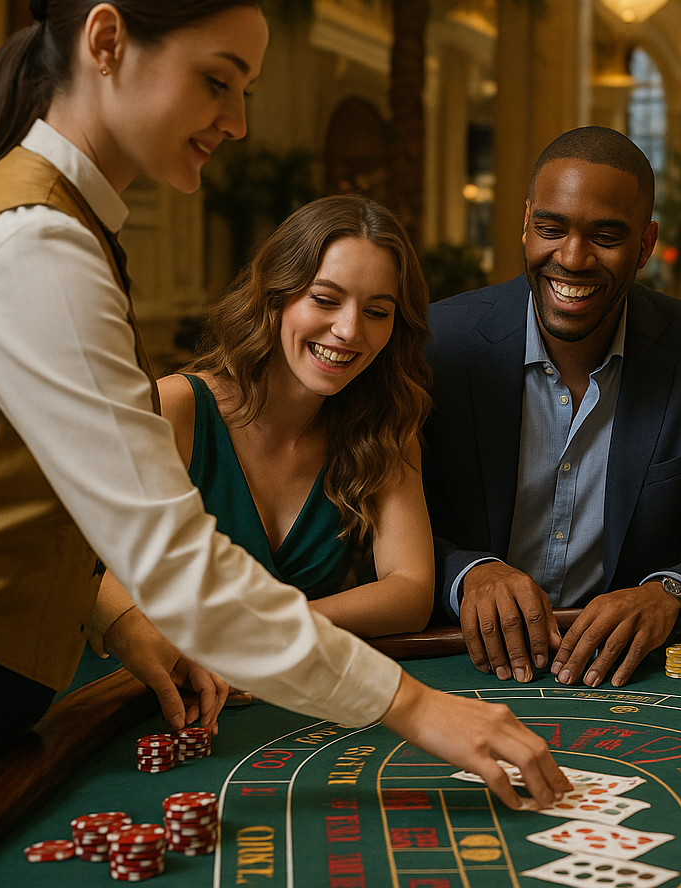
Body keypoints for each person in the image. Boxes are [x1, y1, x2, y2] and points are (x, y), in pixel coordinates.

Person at [0, 0, 570, 806]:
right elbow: (172, 562)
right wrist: (418, 708)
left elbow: (57, 509)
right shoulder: (36, 244)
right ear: (108, 41)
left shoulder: (61, 227)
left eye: (245, 89)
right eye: (217, 81)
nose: (237, 121)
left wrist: (122, 631)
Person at [424, 126, 681, 688]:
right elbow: (372, 522)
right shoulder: (437, 342)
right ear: (525, 224)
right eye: (550, 229)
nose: (572, 258)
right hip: (454, 660)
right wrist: (468, 574)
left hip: (626, 677)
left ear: (645, 244)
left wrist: (666, 595)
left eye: (606, 236)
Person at [90, 196, 435, 658]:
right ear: (276, 295)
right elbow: (82, 567)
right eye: (325, 300)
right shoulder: (176, 408)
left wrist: (273, 625)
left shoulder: (383, 427)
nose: (350, 330)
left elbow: (410, 591)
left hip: (270, 693)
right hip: (124, 691)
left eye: (377, 311)